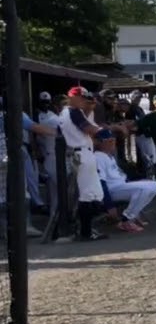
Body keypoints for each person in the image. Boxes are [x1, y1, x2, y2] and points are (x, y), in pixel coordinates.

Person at [56, 87, 109, 240]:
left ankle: (85, 229)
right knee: (90, 195)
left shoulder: (67, 112)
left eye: (83, 97)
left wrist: (90, 109)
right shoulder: (73, 111)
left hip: (80, 153)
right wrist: (107, 130)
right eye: (80, 97)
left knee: (92, 194)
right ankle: (85, 232)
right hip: (81, 154)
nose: (83, 100)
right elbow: (89, 129)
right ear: (71, 97)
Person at [93, 128, 156, 233]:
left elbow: (121, 176)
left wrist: (132, 184)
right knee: (144, 189)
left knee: (154, 185)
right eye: (109, 141)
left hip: (121, 187)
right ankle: (126, 220)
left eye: (113, 140)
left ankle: (133, 215)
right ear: (100, 142)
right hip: (112, 190)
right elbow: (101, 182)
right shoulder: (98, 157)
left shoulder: (109, 156)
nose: (112, 143)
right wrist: (109, 205)